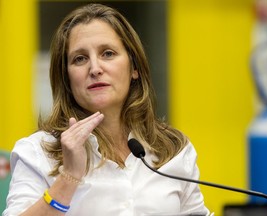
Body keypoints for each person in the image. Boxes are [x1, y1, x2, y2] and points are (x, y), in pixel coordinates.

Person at [3, 3, 210, 216]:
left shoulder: (173, 148)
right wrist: (69, 177)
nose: (95, 69)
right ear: (67, 78)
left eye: (108, 54)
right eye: (80, 59)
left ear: (134, 68)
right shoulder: (38, 152)